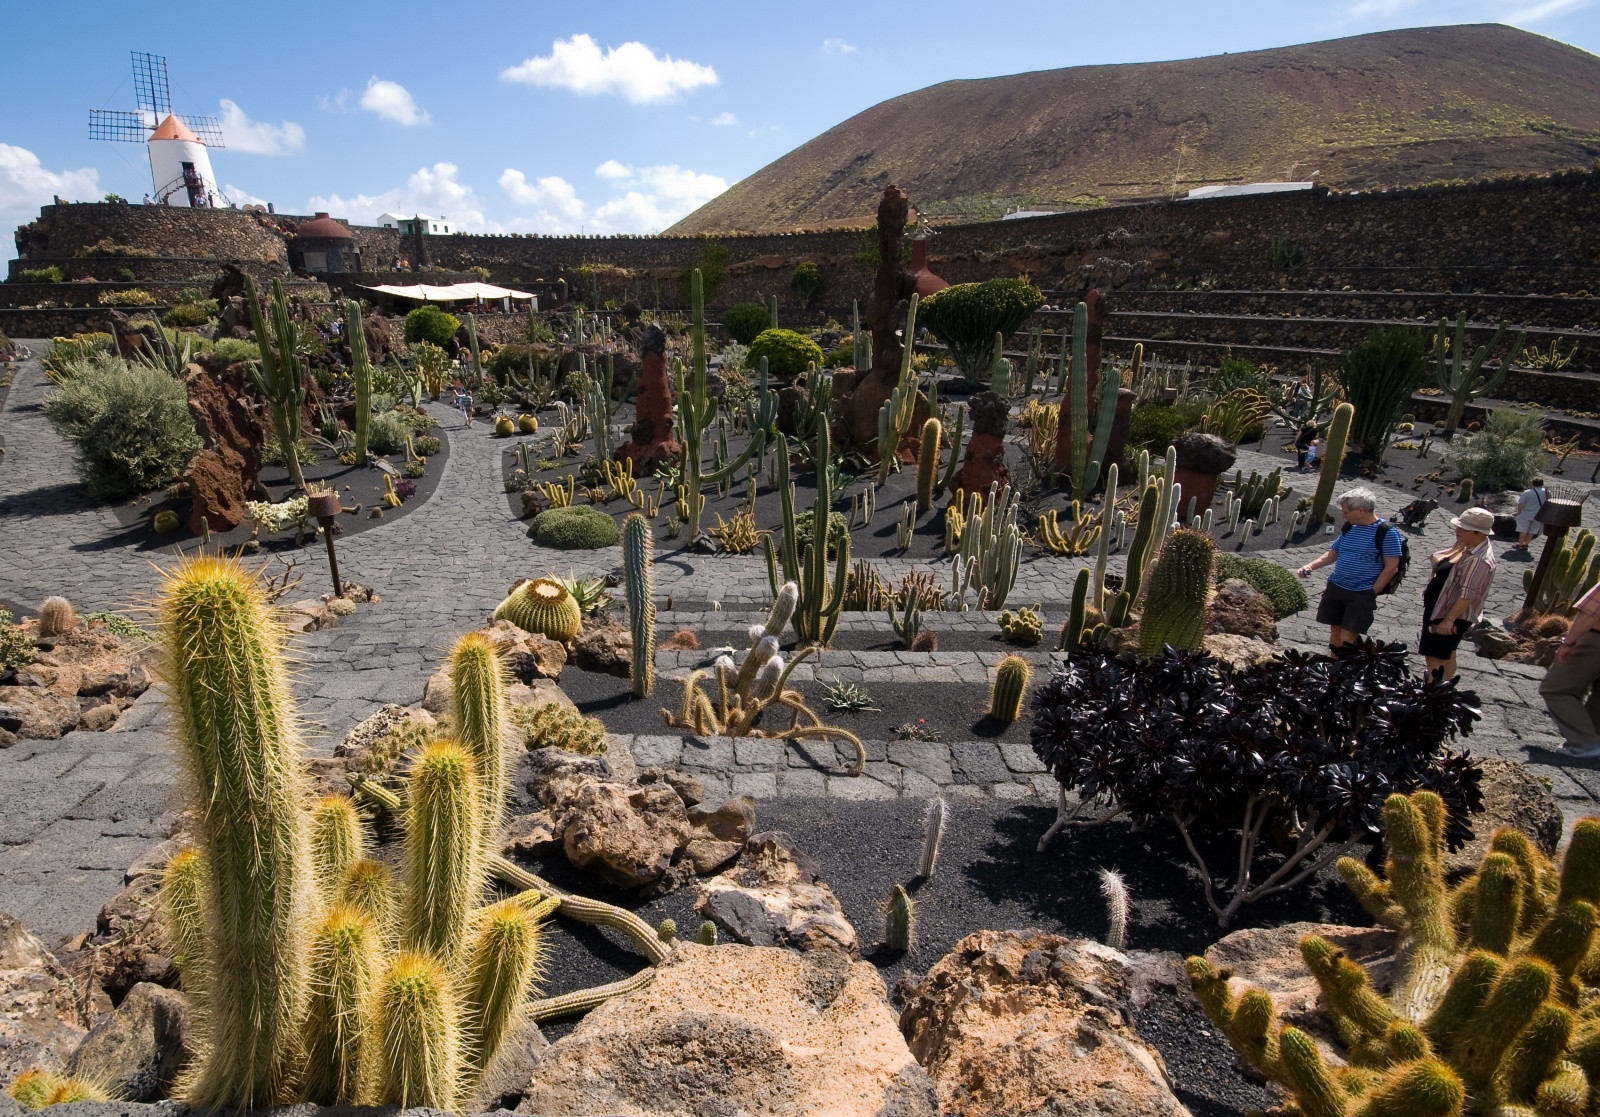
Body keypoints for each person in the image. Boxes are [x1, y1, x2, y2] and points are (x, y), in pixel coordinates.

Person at [1296, 487, 1403, 648]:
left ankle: (1345, 668)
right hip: (1337, 587)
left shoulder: (1387, 533)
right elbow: (1332, 554)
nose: (1343, 515)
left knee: (1348, 635)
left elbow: (1391, 568)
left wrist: (1371, 593)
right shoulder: (1350, 528)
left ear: (1361, 510)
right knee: (1335, 629)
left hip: (1361, 592)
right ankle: (1334, 665)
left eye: (1346, 511)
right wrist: (1310, 566)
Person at [1418, 507, 1497, 681]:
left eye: (1464, 529)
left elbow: (1467, 595)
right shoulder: (1467, 545)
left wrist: (1448, 620)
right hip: (1441, 608)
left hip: (1448, 614)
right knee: (1447, 654)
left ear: (1479, 533)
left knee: (1435, 658)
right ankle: (1444, 689)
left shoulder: (1478, 559)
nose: (1458, 531)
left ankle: (1431, 697)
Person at [1539, 581, 1600, 758]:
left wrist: (1568, 642)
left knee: (1555, 689)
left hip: (1595, 641)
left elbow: (1589, 614)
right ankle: (1591, 740)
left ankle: (1586, 743)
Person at [1513, 477, 1547, 551]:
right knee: (1532, 531)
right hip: (1538, 514)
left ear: (1533, 483)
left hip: (1526, 513)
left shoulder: (1527, 492)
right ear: (1542, 484)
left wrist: (1519, 513)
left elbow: (1521, 504)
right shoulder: (1546, 492)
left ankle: (1520, 544)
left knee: (1523, 530)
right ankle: (1526, 544)